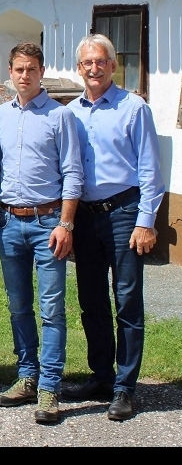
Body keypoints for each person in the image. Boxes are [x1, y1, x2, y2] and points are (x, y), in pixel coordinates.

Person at [62, 33, 165, 421]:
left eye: (100, 61)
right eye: (87, 63)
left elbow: (150, 169)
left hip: (124, 212)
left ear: (113, 65)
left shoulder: (133, 108)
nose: (94, 68)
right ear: (79, 69)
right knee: (91, 301)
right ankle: (101, 376)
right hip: (85, 218)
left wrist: (146, 221)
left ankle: (125, 387)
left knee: (127, 300)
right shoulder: (69, 112)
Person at [0, 42, 83, 423]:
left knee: (51, 310)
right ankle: (26, 376)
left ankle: (49, 388)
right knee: (17, 306)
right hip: (10, 223)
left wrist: (66, 223)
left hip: (48, 224)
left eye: (31, 69)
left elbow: (73, 172)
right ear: (10, 73)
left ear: (41, 71)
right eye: (18, 69)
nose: (24, 76)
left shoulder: (60, 116)